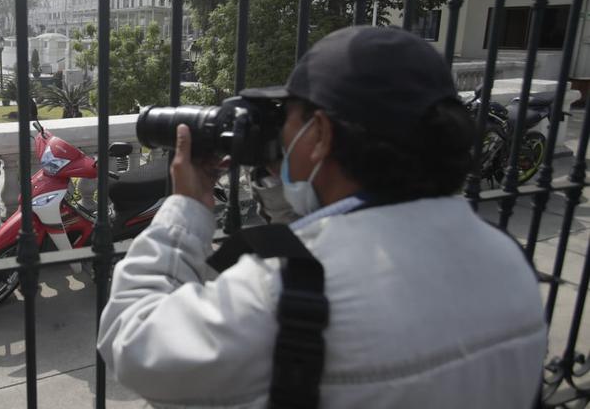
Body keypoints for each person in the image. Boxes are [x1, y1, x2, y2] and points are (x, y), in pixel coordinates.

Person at [97, 26, 546, 408]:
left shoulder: (287, 294)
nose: (279, 135)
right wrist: (286, 183)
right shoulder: (508, 260)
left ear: (320, 134)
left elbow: (132, 341)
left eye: (287, 119)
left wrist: (186, 209)